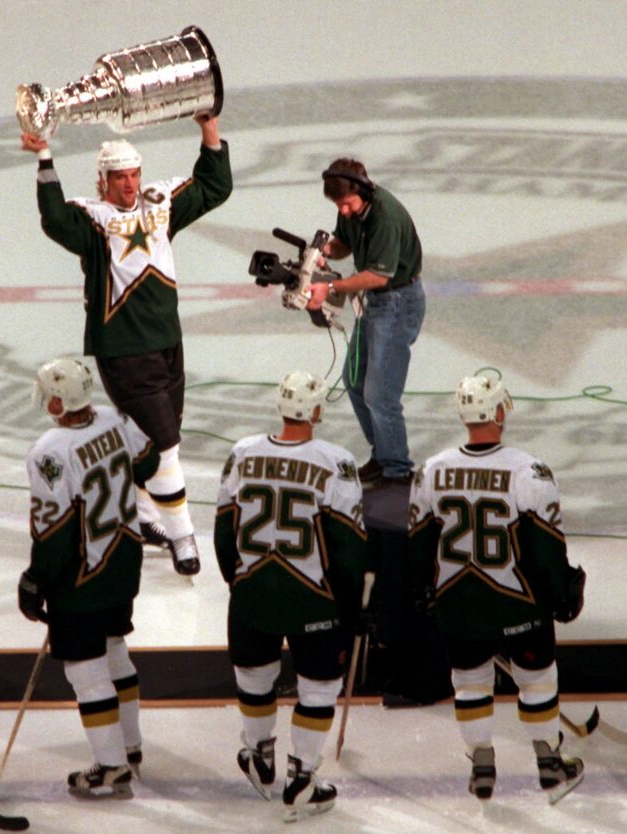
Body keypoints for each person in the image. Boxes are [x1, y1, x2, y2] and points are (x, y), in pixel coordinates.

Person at [21, 114, 232, 575]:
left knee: (151, 440)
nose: (130, 185)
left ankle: (142, 515)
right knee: (166, 445)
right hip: (123, 349)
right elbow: (54, 219)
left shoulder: (159, 204)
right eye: (119, 178)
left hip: (168, 341)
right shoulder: (92, 222)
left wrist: (209, 129)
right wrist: (44, 156)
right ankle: (183, 537)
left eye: (134, 174)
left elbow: (214, 188)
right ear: (103, 182)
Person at [408, 373, 586, 803]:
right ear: (500, 411)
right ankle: (548, 761)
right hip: (517, 604)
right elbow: (545, 551)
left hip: (459, 603)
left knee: (469, 683)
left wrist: (426, 591)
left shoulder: (431, 470)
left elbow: (417, 547)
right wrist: (563, 590)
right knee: (538, 681)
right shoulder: (529, 470)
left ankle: (482, 764)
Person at [214, 370, 370, 822]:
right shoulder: (337, 461)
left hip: (251, 593)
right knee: (319, 684)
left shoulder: (241, 453)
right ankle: (301, 778)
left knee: (255, 676)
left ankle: (258, 755)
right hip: (314, 597)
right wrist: (351, 605)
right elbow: (347, 548)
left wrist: (238, 584)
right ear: (317, 410)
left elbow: (225, 534)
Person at [17, 357, 160, 799]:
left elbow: (55, 531)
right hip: (122, 562)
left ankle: (112, 766)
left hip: (83, 574)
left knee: (86, 671)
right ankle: (130, 746)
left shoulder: (48, 452)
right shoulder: (115, 420)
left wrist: (36, 580)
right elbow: (149, 464)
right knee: (115, 649)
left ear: (57, 401)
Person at [307, 158, 425, 490]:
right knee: (354, 379)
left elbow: (377, 275)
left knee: (380, 393)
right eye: (338, 206)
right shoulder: (353, 207)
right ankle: (384, 455)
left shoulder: (384, 216)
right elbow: (345, 242)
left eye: (346, 204)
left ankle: (398, 471)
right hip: (376, 303)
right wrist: (327, 250)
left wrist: (329, 287)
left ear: (362, 189)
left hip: (397, 302)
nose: (343, 211)